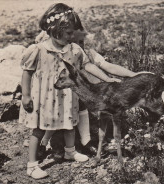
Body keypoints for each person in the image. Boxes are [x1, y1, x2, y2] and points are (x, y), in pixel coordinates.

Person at [35, 27, 151, 156]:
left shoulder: (87, 53)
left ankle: (87, 141)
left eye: (81, 41)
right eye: (75, 41)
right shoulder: (62, 56)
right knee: (58, 113)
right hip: (68, 94)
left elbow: (108, 66)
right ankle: (46, 142)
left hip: (91, 95)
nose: (79, 45)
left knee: (85, 109)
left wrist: (132, 75)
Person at [19, 3, 94, 179]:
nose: (72, 36)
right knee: (38, 130)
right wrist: (26, 95)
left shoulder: (74, 50)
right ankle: (31, 165)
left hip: (67, 96)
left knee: (70, 125)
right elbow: (27, 73)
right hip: (44, 99)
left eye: (73, 32)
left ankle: (70, 151)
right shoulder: (38, 50)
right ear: (54, 29)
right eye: (68, 33)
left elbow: (84, 66)